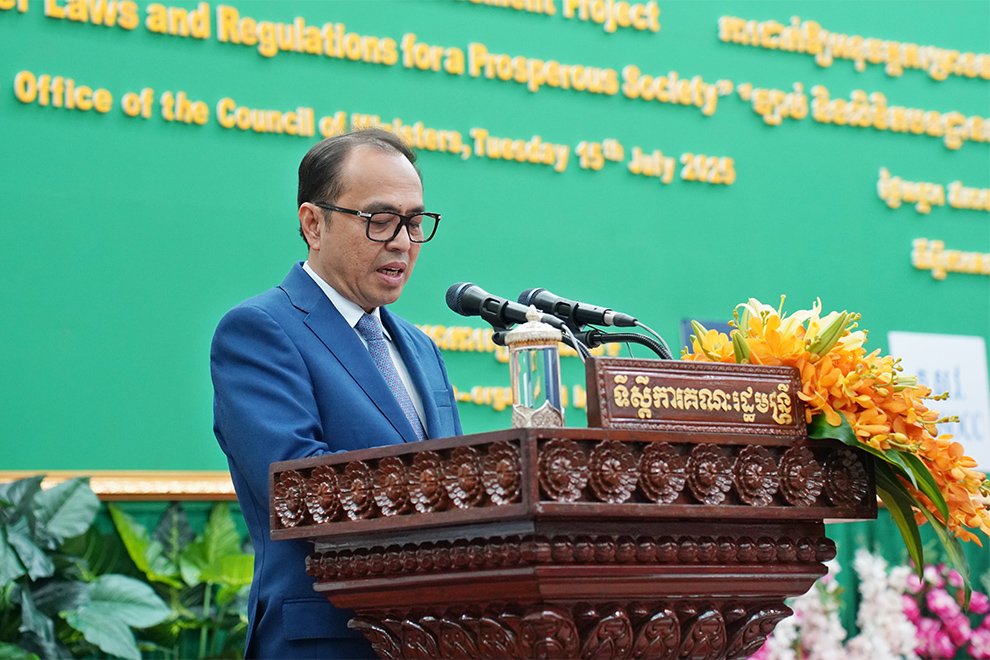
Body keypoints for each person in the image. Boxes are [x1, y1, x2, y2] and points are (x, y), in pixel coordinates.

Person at [210, 128, 462, 659]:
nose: (402, 241)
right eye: (379, 220)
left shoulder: (420, 347)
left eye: (415, 222)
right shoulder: (260, 331)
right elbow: (299, 487)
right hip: (329, 640)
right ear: (313, 223)